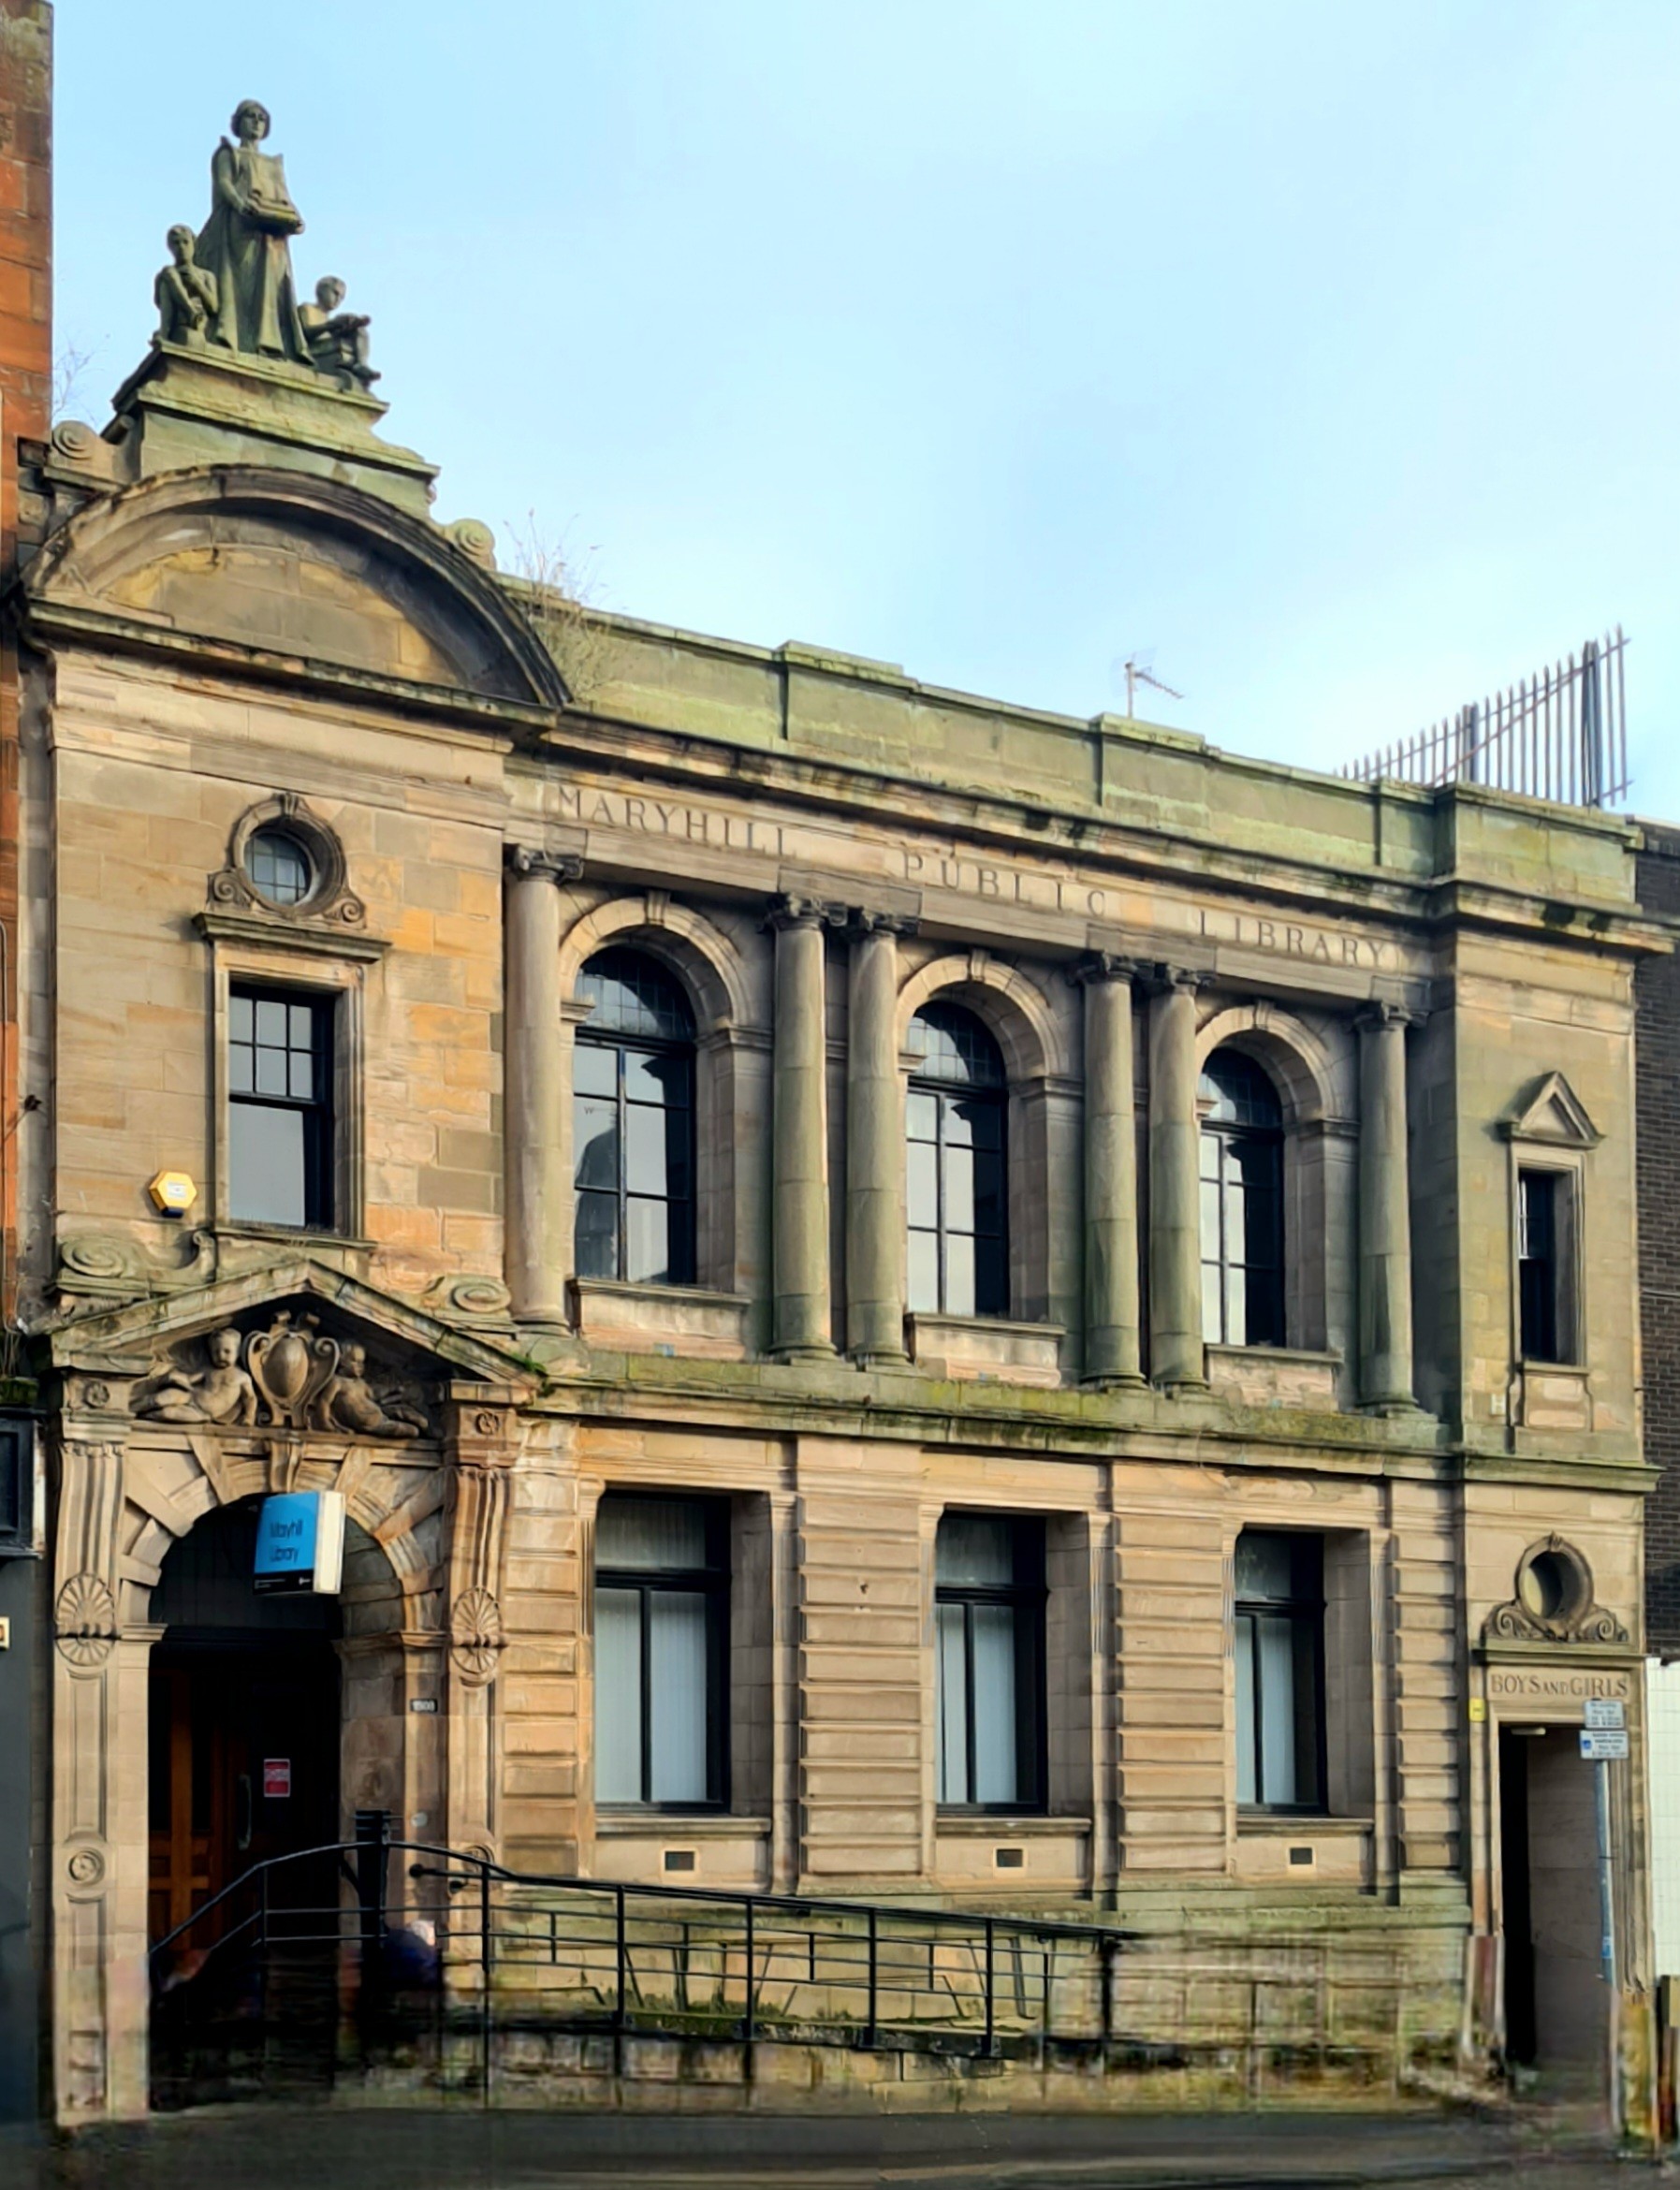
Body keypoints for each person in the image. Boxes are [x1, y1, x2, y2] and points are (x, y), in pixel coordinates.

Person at [195, 99, 309, 363]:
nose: (257, 121)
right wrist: (240, 203)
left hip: (272, 234)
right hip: (240, 227)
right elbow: (224, 183)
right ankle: (235, 338)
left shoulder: (273, 163)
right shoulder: (229, 154)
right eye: (250, 116)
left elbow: (284, 195)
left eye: (262, 118)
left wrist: (296, 218)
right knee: (240, 284)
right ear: (238, 122)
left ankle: (268, 343)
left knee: (270, 287)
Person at [135, 1326, 258, 1424]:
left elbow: (250, 1398)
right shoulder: (208, 1370)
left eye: (227, 1351)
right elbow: (189, 1379)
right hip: (191, 1396)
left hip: (202, 1413)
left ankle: (141, 1417)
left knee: (166, 1413)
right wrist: (174, 1376)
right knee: (157, 1399)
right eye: (216, 1352)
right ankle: (129, 1409)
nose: (221, 1356)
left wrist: (249, 1417)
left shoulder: (242, 1377)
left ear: (237, 1353)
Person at [299, 276, 379, 388]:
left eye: (341, 298)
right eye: (335, 293)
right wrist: (330, 326)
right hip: (315, 351)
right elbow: (306, 333)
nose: (338, 300)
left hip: (330, 348)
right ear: (322, 291)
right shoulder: (307, 308)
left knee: (360, 331)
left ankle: (360, 365)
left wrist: (351, 325)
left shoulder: (330, 318)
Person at [153, 226, 218, 349]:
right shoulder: (166, 275)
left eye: (185, 242)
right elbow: (158, 302)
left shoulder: (206, 275)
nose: (182, 247)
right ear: (170, 248)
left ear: (193, 243)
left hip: (198, 326)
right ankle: (190, 313)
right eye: (176, 243)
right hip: (177, 326)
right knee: (168, 273)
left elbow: (213, 307)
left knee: (168, 273)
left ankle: (192, 315)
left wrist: (197, 284)